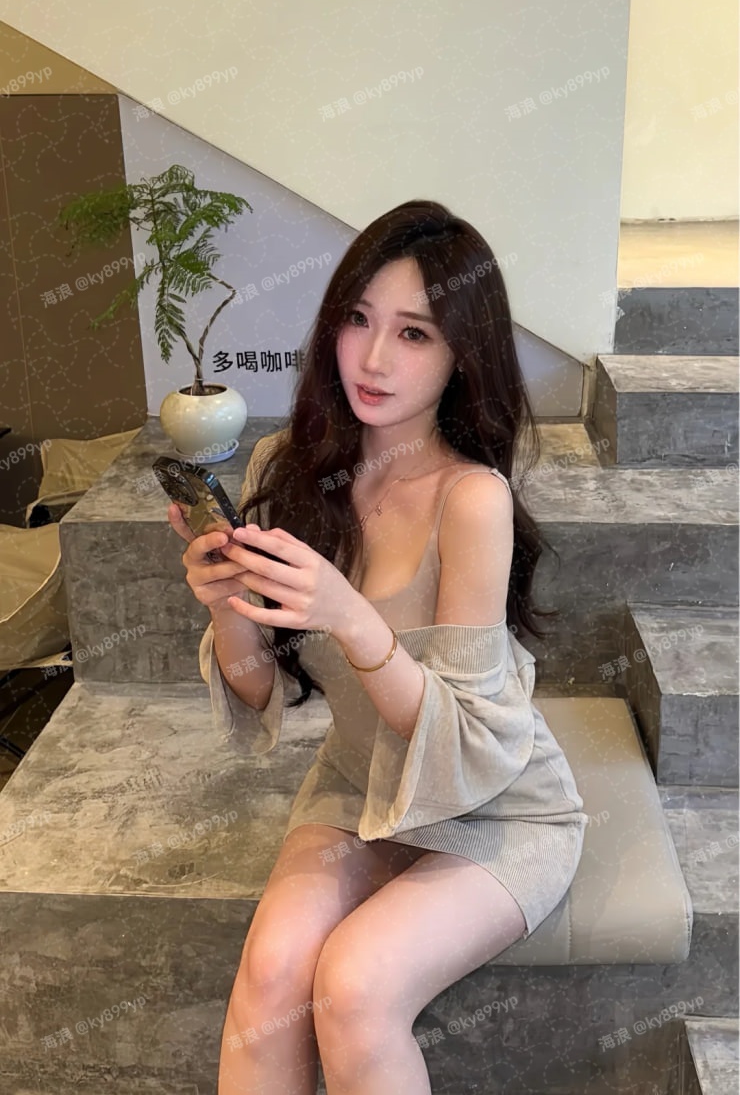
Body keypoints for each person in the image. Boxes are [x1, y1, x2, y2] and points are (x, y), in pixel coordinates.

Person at [168, 199, 587, 1095]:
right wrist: (227, 604)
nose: (373, 358)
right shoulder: (286, 468)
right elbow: (258, 694)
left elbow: (469, 740)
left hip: (496, 805)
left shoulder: (470, 500)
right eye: (358, 320)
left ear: (462, 354)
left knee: (354, 985)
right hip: (364, 785)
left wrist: (353, 618)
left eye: (414, 333)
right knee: (272, 973)